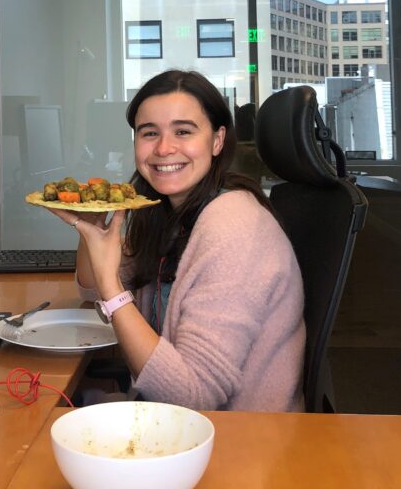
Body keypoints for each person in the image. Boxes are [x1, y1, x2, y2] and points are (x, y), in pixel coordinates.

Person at [50, 69, 305, 412]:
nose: (164, 148)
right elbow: (90, 290)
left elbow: (193, 397)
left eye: (183, 131)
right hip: (176, 422)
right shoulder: (168, 212)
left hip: (238, 443)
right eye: (149, 133)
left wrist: (112, 287)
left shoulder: (235, 226)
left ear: (217, 140)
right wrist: (91, 223)